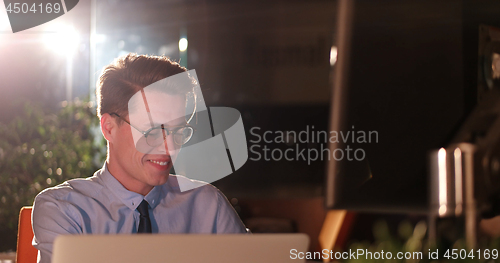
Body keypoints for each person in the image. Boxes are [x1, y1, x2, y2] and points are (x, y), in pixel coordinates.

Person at [31, 53, 248, 263]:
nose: (170, 147)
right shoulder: (65, 210)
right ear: (109, 128)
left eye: (178, 132)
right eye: (152, 131)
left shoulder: (207, 205)